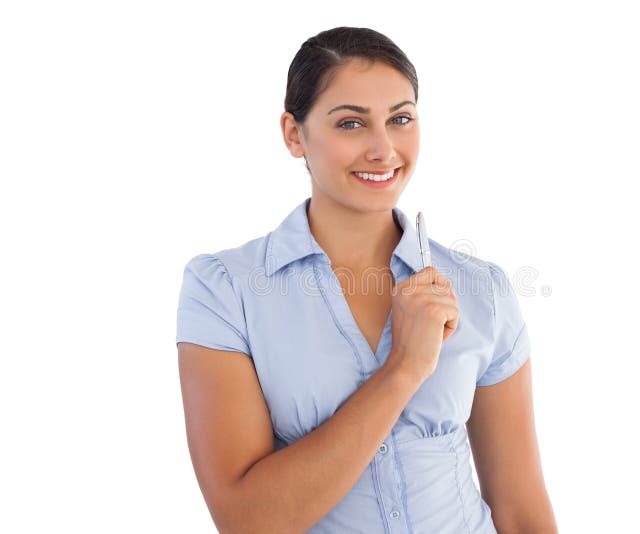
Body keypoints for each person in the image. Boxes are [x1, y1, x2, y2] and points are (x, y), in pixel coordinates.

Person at [176, 26, 558, 534]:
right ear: (294, 134)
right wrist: (403, 368)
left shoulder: (481, 289)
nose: (384, 149)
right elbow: (247, 520)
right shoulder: (226, 290)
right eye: (351, 124)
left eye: (400, 119)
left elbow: (520, 509)